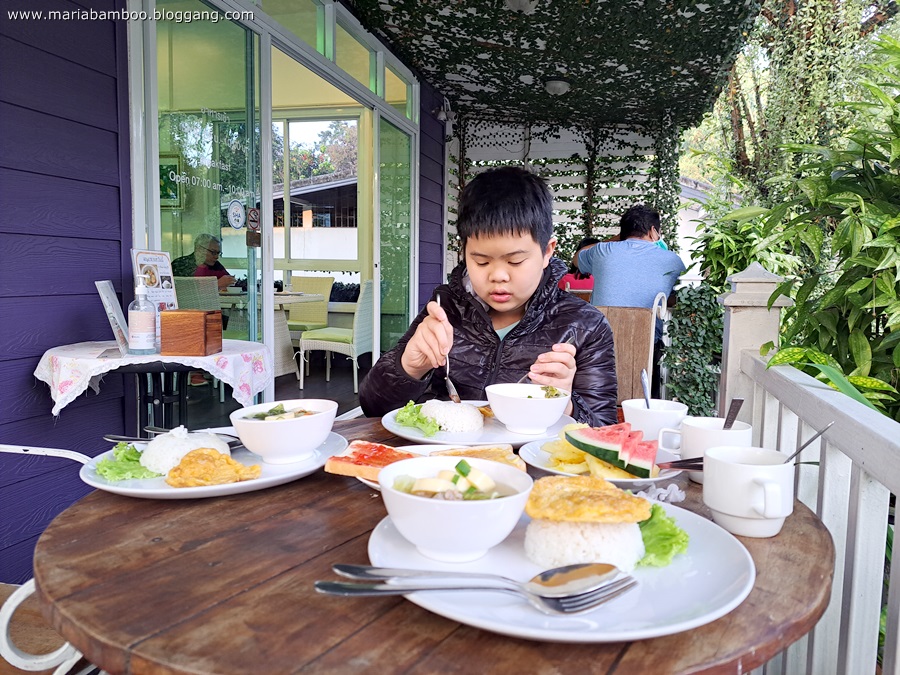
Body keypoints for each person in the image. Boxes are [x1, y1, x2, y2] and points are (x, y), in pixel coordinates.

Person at [359, 166, 618, 426]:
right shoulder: (446, 308)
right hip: (447, 450)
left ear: (547, 252)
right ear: (464, 252)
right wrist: (410, 367)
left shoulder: (584, 326)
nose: (498, 276)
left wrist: (565, 405)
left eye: (515, 261)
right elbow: (373, 407)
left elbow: (603, 429)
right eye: (481, 262)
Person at [573, 204, 685, 397]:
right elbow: (674, 294)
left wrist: (616, 239)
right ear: (653, 231)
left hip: (599, 343)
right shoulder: (672, 260)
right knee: (647, 399)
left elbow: (576, 259)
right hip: (646, 345)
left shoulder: (602, 251)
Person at [171, 233, 236, 291]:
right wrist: (216, 284)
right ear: (199, 249)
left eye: (218, 253)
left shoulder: (216, 266)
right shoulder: (180, 264)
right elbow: (183, 291)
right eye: (213, 252)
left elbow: (232, 283)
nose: (217, 257)